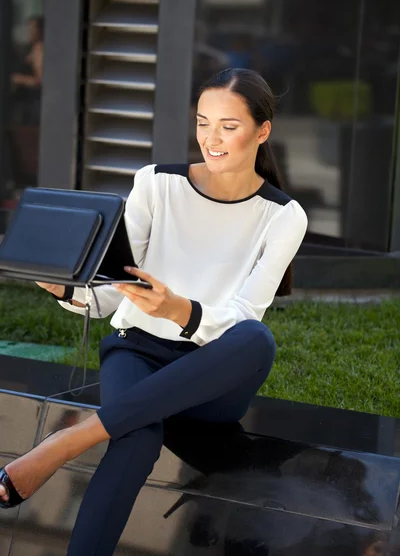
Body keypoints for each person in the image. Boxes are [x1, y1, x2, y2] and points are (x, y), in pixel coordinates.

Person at [0, 68, 308, 555]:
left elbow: (245, 317)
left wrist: (179, 309)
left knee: (257, 339)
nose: (211, 138)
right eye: (203, 122)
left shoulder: (283, 215)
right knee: (137, 437)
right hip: (136, 353)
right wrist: (64, 288)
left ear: (262, 130)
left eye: (229, 126)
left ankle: (66, 443)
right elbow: (109, 297)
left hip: (212, 375)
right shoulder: (155, 183)